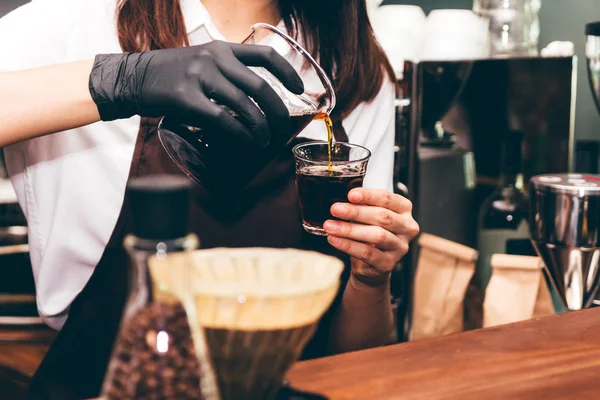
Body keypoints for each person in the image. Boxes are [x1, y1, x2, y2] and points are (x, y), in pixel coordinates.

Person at [0, 0, 419, 398]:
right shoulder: (75, 23)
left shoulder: (353, 67)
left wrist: (370, 278)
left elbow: (357, 361)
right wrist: (123, 79)